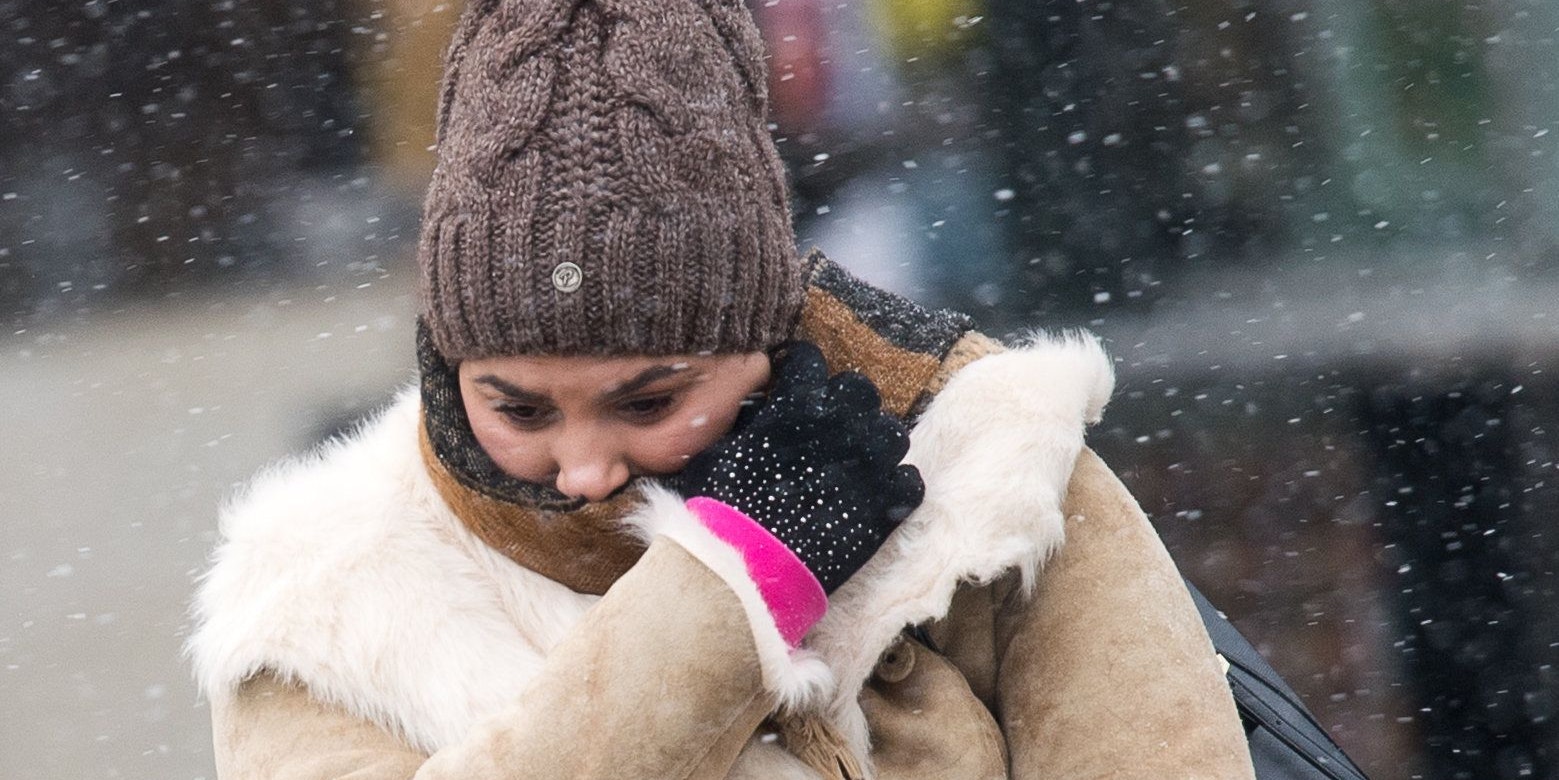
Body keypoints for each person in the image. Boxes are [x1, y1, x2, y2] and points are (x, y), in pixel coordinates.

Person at [187, 1, 1255, 777]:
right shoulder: (321, 597)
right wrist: (733, 593)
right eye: (517, 407)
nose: (585, 465)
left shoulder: (990, 457)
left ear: (761, 333)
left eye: (648, 400)